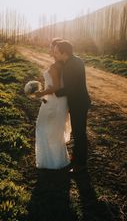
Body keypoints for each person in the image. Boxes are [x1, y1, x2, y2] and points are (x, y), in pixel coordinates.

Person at [53, 40, 91, 173]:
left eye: (57, 52)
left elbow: (71, 89)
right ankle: (77, 160)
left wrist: (56, 91)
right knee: (79, 132)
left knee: (79, 133)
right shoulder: (77, 61)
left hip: (78, 103)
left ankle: (80, 164)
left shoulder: (69, 66)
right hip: (81, 101)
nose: (55, 54)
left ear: (64, 53)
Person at [34, 39, 71, 170]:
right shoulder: (61, 65)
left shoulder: (55, 67)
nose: (51, 50)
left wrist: (41, 93)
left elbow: (55, 87)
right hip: (57, 100)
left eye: (53, 49)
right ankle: (57, 160)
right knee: (54, 130)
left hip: (54, 100)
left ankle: (50, 162)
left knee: (43, 127)